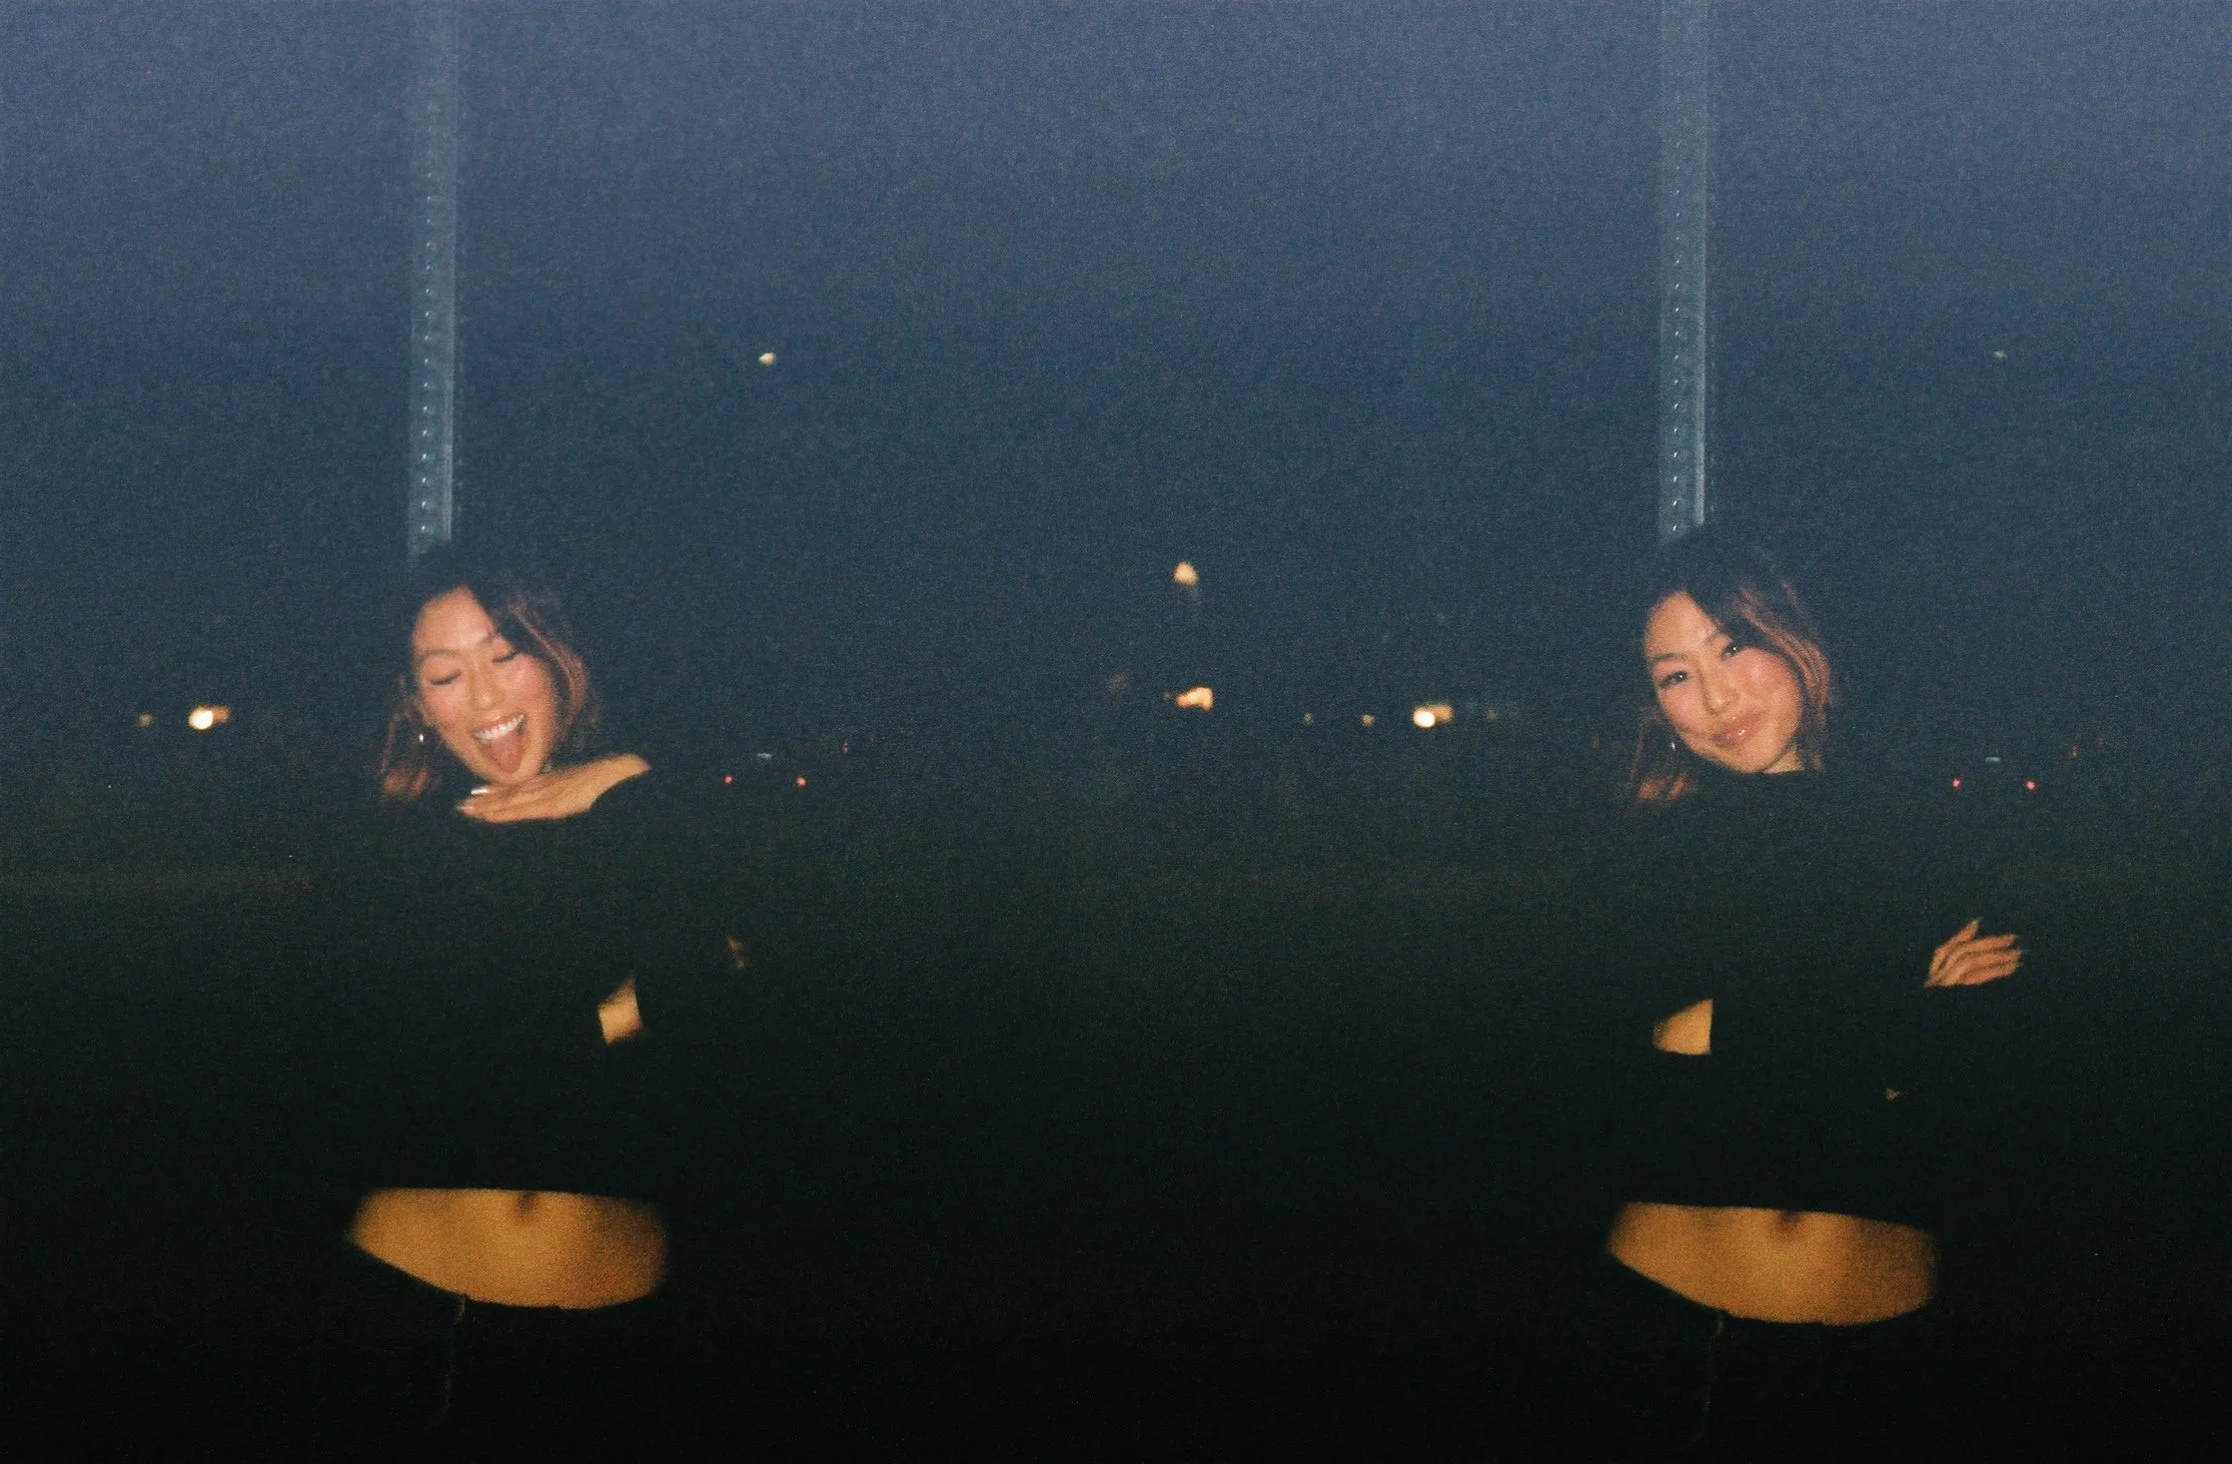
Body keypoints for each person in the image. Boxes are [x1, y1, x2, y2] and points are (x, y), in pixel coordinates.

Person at [1572, 531, 2024, 1458]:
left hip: (1886, 1358)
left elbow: (1981, 1085)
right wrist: (1899, 1014)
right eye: (1676, 675)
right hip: (1673, 1336)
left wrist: (1775, 1026)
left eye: (1733, 646)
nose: (1716, 698)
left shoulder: (1927, 832)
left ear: (1793, 637)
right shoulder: (1648, 852)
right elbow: (1660, 1060)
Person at [304, 548, 739, 1451]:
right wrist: (619, 1015)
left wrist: (630, 777)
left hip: (622, 1339)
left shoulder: (640, 822)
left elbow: (743, 967)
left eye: (505, 655)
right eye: (445, 676)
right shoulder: (390, 851)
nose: (485, 697)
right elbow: (439, 1065)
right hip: (418, 1325)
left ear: (556, 656)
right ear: (417, 704)